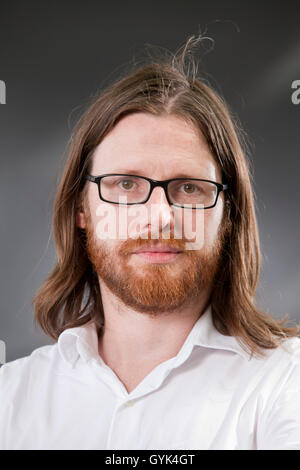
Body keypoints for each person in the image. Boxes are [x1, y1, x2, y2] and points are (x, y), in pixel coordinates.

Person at [1, 35, 300, 450]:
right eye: (125, 184)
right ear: (81, 209)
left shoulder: (288, 384)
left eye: (190, 188)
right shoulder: (9, 400)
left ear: (228, 215)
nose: (160, 218)